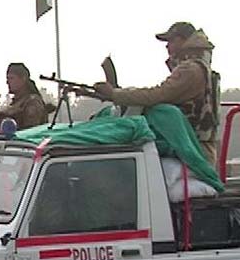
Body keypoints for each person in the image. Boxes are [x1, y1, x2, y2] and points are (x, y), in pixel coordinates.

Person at [94, 22, 220, 164]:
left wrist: (115, 94)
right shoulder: (199, 67)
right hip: (193, 144)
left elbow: (157, 95)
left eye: (171, 40)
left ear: (185, 41)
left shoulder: (191, 70)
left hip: (194, 147)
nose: (167, 46)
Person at [0, 63, 53, 130]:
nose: (7, 82)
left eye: (11, 78)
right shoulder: (16, 103)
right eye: (7, 78)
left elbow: (30, 131)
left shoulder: (33, 102)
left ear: (23, 79)